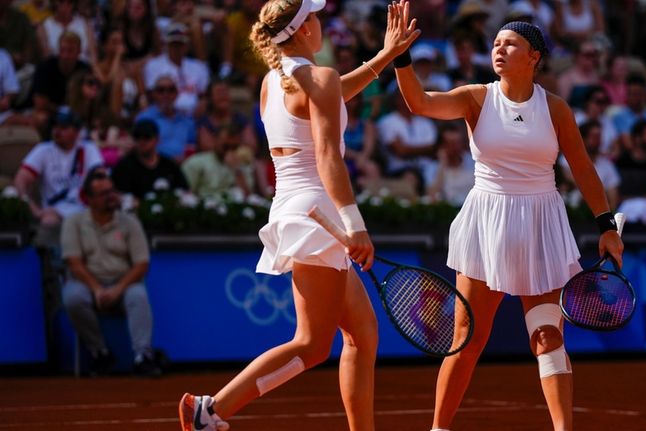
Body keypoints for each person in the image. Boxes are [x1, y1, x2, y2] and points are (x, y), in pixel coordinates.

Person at [178, 1, 417, 430]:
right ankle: (210, 410)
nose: (320, 20)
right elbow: (327, 154)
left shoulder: (273, 81)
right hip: (319, 212)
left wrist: (383, 57)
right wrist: (355, 225)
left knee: (361, 336)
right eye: (315, 15)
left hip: (295, 206)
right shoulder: (317, 79)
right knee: (311, 345)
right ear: (304, 29)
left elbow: (330, 97)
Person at [393, 19, 623, 431]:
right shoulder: (474, 98)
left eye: (510, 44)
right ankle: (438, 429)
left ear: (534, 56)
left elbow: (583, 169)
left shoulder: (554, 108)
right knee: (467, 337)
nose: (498, 49)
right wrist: (401, 57)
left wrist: (605, 224)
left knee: (548, 337)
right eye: (495, 43)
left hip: (541, 225)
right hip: (487, 224)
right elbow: (421, 103)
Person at [60, 166, 162, 377]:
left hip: (123, 282)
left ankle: (143, 356)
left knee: (139, 295)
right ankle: (100, 352)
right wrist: (97, 288)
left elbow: (142, 264)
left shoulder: (130, 223)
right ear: (88, 198)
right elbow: (73, 262)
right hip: (88, 282)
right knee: (72, 297)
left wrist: (117, 289)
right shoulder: (73, 223)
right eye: (103, 194)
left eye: (112, 191)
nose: (111, 197)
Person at [14, 107, 103, 235]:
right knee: (48, 221)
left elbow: (100, 177)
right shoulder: (43, 150)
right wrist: (35, 210)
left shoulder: (88, 148)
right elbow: (20, 180)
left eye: (64, 127)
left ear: (77, 132)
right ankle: (51, 255)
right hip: (55, 211)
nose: (57, 131)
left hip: (85, 209)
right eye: (55, 126)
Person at [112, 118, 188, 202]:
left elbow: (185, 191)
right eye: (137, 137)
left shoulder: (169, 165)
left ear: (157, 139)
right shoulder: (124, 167)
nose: (141, 141)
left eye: (147, 137)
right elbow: (118, 194)